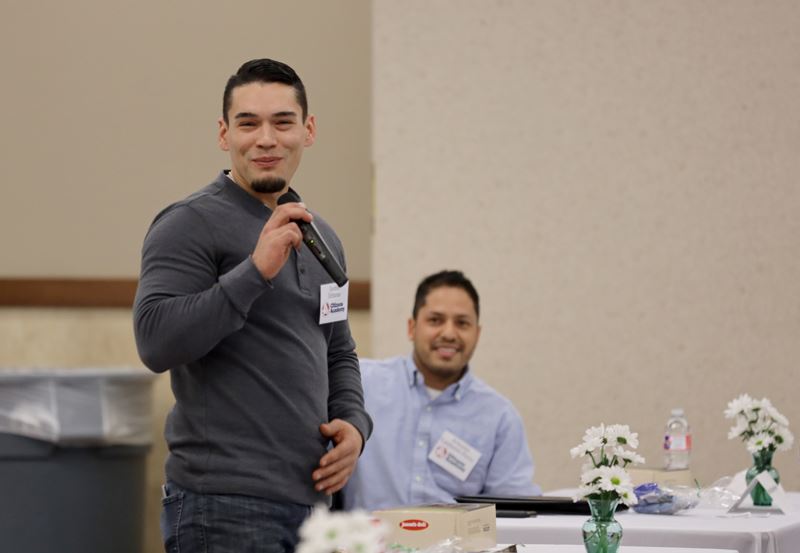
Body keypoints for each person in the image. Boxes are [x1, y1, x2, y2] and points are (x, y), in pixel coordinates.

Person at [133, 58, 372, 553]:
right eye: (248, 123)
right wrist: (255, 271)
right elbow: (155, 342)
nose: (266, 139)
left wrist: (354, 424)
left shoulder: (322, 236)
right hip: (222, 506)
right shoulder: (188, 223)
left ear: (308, 131)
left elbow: (338, 351)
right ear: (224, 134)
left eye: (282, 122)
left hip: (312, 507)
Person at [342, 270, 539, 511]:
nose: (448, 334)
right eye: (435, 320)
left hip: (456, 537)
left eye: (462, 323)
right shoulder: (362, 383)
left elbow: (514, 510)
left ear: (477, 334)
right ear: (412, 328)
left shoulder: (500, 418)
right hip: (367, 535)